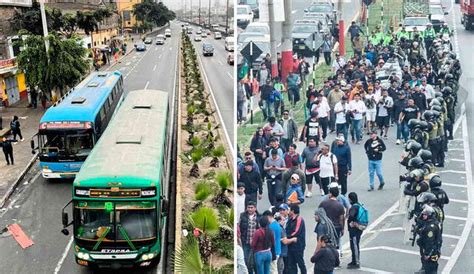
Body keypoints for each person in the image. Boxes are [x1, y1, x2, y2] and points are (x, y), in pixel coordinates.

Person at [318, 185, 345, 259]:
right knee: (335, 245)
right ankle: (336, 260)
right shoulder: (340, 206)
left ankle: (325, 258)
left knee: (324, 243)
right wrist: (342, 229)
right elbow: (341, 219)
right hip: (336, 227)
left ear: (330, 194)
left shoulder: (324, 203)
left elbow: (318, 214)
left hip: (325, 226)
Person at [416, 205, 442, 274]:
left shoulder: (431, 227)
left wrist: (428, 254)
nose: (423, 216)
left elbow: (430, 242)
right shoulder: (433, 223)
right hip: (434, 251)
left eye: (425, 215)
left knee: (430, 269)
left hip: (432, 252)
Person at [240, 201, 260, 274]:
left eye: (252, 208)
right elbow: (240, 229)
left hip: (256, 244)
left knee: (255, 261)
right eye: (249, 207)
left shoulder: (259, 217)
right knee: (247, 261)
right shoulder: (242, 216)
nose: (250, 209)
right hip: (246, 242)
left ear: (255, 208)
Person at [285, 204, 306, 274]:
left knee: (300, 262)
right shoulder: (290, 219)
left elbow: (296, 231)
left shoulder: (299, 219)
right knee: (291, 263)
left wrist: (287, 236)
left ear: (292, 211)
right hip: (291, 245)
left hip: (298, 245)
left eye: (289, 210)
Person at [347, 192, 364, 269]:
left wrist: (351, 221)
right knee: (354, 244)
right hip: (358, 228)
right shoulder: (358, 205)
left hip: (354, 229)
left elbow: (351, 215)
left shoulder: (354, 207)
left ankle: (356, 262)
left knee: (354, 245)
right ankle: (354, 260)